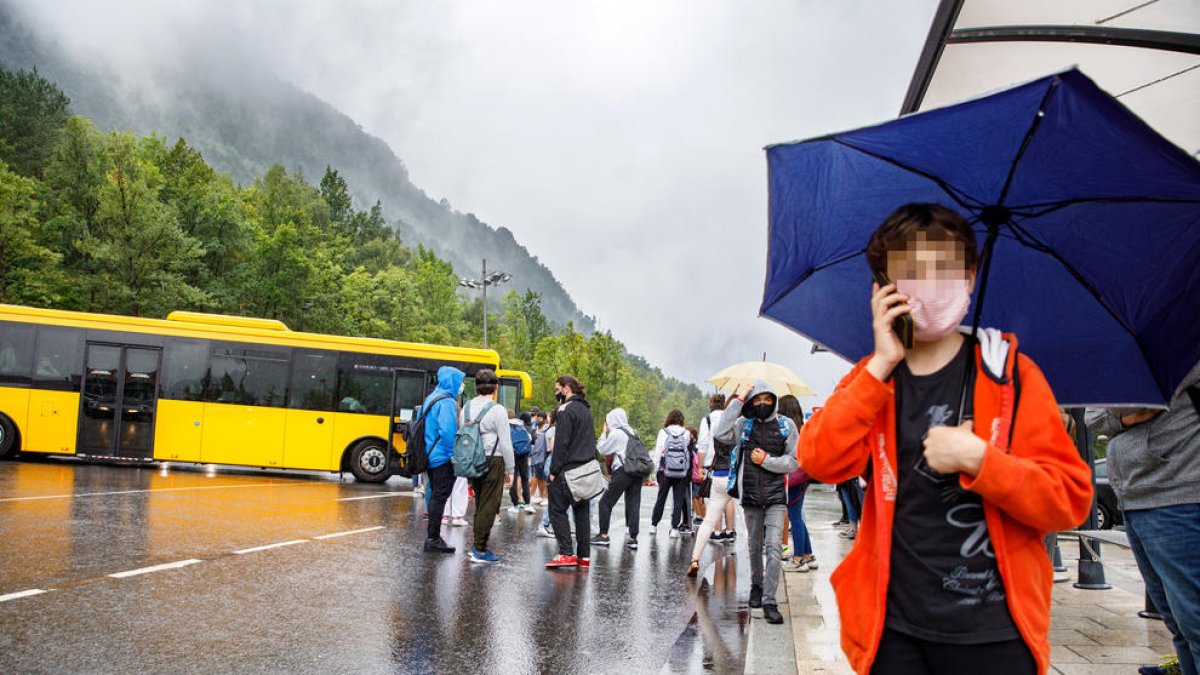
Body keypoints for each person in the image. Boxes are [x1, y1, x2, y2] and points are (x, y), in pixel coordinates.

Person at [799, 203, 1093, 675]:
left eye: (944, 269)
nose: (929, 285)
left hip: (995, 630)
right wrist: (880, 361)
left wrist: (983, 461)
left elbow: (1069, 501)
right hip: (892, 629)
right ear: (883, 288)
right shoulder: (874, 378)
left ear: (971, 276)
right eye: (911, 272)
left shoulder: (1011, 374)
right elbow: (818, 459)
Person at [1086, 361, 1200, 675]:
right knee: (1177, 621)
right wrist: (1119, 414)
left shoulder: (1179, 338)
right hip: (1137, 493)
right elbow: (1092, 415)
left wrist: (1116, 413)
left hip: (1176, 491)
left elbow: (1141, 398)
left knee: (1194, 620)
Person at [713, 381, 798, 625]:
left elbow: (794, 461)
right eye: (757, 400)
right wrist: (737, 401)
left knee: (773, 547)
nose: (762, 404)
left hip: (776, 498)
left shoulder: (786, 425)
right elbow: (720, 433)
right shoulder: (743, 424)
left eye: (767, 399)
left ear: (774, 400)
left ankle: (770, 600)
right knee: (753, 546)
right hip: (749, 495)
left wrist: (766, 460)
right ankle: (756, 586)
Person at [460, 369, 514, 564]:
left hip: (471, 460)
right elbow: (506, 443)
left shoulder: (466, 408)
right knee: (490, 505)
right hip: (494, 460)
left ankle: (476, 544)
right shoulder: (498, 410)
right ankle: (479, 548)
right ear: (496, 387)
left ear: (476, 387)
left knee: (480, 502)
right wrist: (511, 469)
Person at [545, 375, 598, 569]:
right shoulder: (586, 410)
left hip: (567, 471)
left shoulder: (565, 410)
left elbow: (561, 444)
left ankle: (566, 552)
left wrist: (553, 471)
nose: (556, 393)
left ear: (566, 389)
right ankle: (584, 556)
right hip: (586, 470)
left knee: (557, 510)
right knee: (581, 513)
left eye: (557, 389)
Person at [687, 393, 740, 577]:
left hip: (716, 472)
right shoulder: (739, 424)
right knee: (741, 511)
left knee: (709, 518)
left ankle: (695, 558)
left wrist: (700, 466)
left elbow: (702, 444)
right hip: (735, 476)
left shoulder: (709, 421)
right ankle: (730, 529)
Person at [419, 366, 464, 553]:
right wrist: (454, 454)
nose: (461, 385)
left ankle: (433, 536)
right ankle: (433, 538)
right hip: (442, 457)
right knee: (440, 497)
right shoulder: (446, 402)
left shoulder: (431, 398)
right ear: (451, 381)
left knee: (435, 495)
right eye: (459, 381)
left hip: (429, 454)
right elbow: (448, 432)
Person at [592, 408, 646, 550]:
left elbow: (603, 450)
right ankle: (633, 538)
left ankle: (603, 535)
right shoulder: (634, 432)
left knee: (605, 502)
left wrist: (604, 433)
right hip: (638, 471)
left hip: (623, 471)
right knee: (633, 504)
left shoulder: (616, 433)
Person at [777, 394, 817, 572]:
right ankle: (808, 555)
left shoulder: (787, 428)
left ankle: (798, 558)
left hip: (792, 477)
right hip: (803, 477)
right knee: (798, 516)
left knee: (795, 517)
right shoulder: (803, 428)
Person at [651, 410, 693, 538]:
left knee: (661, 498)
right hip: (680, 472)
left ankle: (654, 525)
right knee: (678, 500)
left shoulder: (663, 432)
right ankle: (674, 528)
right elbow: (687, 453)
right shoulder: (686, 433)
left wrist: (656, 469)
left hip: (665, 471)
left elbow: (658, 451)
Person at [507, 409, 535, 513]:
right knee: (524, 478)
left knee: (513, 479)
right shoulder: (522, 425)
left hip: (513, 454)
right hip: (524, 455)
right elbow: (530, 438)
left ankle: (515, 505)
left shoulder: (507, 426)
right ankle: (527, 503)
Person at [537, 410, 559, 538]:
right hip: (553, 463)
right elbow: (553, 448)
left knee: (556, 497)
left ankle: (547, 524)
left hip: (550, 463)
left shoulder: (550, 429)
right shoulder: (554, 430)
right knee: (556, 497)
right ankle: (544, 524)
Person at [529, 410, 550, 506]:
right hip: (536, 457)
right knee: (539, 477)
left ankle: (545, 497)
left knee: (544, 478)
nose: (538, 420)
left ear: (544, 419)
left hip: (545, 456)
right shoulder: (534, 430)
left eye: (540, 418)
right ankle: (542, 496)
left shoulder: (548, 430)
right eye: (537, 418)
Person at [688, 425, 706, 528]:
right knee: (695, 496)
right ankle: (698, 515)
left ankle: (701, 516)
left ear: (694, 436)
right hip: (693, 474)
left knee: (698, 496)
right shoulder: (692, 447)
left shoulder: (695, 448)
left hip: (696, 475)